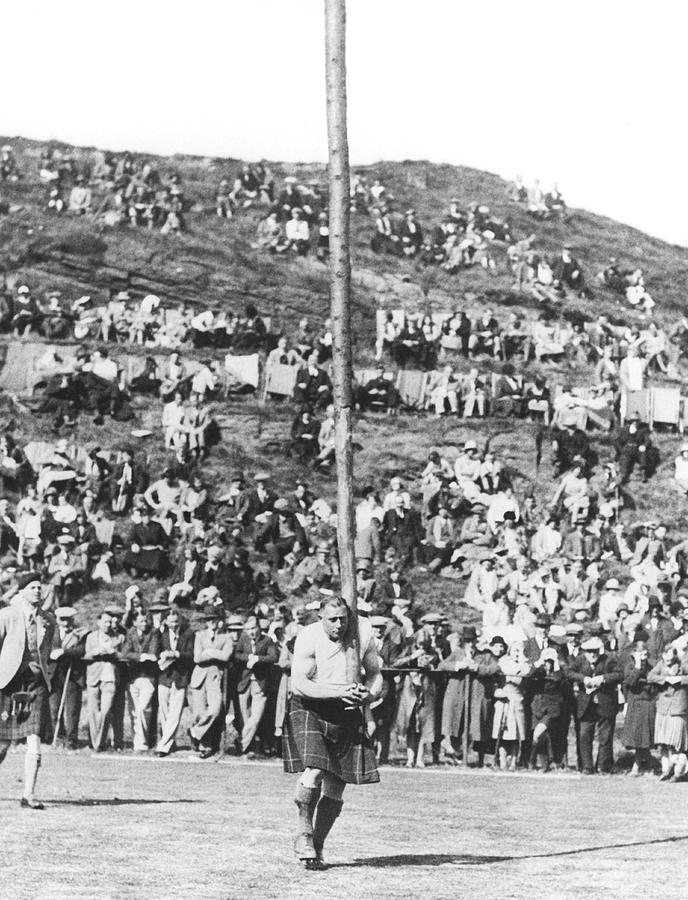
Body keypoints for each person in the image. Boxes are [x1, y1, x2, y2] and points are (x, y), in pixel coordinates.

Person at [283, 596, 382, 870]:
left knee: (337, 783)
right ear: (320, 618)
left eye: (343, 618)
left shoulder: (363, 629)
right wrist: (340, 691)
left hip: (346, 709)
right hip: (310, 705)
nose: (339, 624)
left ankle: (318, 844)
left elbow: (375, 672)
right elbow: (300, 685)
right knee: (314, 770)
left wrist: (369, 694)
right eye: (332, 620)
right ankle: (304, 833)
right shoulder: (308, 636)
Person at [0, 574, 55, 809]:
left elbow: (47, 651)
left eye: (40, 588)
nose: (38, 591)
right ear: (21, 591)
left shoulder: (48, 620)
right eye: (32, 587)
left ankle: (29, 794)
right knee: (2, 743)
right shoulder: (7, 615)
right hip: (9, 682)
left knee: (35, 738)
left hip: (36, 684)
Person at [189, 608, 234, 758]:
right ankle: (205, 746)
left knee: (215, 710)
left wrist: (208, 652)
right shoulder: (199, 635)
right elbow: (197, 658)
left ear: (219, 620)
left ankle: (195, 732)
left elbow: (226, 656)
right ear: (205, 622)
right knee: (199, 713)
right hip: (199, 677)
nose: (212, 623)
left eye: (214, 619)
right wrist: (215, 654)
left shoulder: (226, 637)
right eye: (209, 620)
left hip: (215, 678)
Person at [155, 606, 195, 757]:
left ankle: (163, 746)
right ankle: (169, 742)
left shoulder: (188, 633)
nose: (174, 625)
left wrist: (176, 654)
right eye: (171, 622)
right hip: (164, 676)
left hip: (180, 677)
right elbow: (154, 650)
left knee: (175, 712)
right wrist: (163, 654)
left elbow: (191, 654)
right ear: (165, 621)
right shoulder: (161, 634)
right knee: (164, 712)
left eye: (176, 622)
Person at [48, 606, 87, 750]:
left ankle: (71, 741)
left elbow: (81, 650)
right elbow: (44, 648)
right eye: (62, 620)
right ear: (57, 620)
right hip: (54, 675)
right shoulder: (51, 632)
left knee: (72, 711)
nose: (65, 623)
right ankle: (58, 737)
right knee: (54, 709)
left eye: (68, 620)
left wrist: (64, 652)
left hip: (73, 676)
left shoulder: (80, 633)